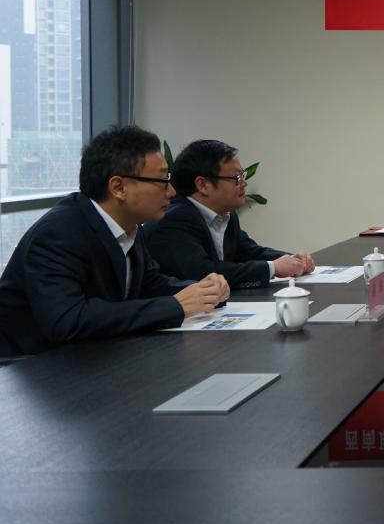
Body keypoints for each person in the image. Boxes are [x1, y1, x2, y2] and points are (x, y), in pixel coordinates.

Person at [0, 125, 229, 358]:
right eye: (162, 180)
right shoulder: (58, 234)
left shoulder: (129, 225)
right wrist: (174, 306)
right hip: (29, 366)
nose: (171, 192)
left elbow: (148, 284)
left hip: (93, 355)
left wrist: (201, 292)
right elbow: (68, 320)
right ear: (119, 188)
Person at [146, 139, 315, 289]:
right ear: (203, 185)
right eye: (236, 178)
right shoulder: (174, 219)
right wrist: (273, 268)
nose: (244, 183)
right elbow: (202, 273)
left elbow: (250, 252)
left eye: (242, 175)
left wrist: (293, 260)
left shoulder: (226, 215)